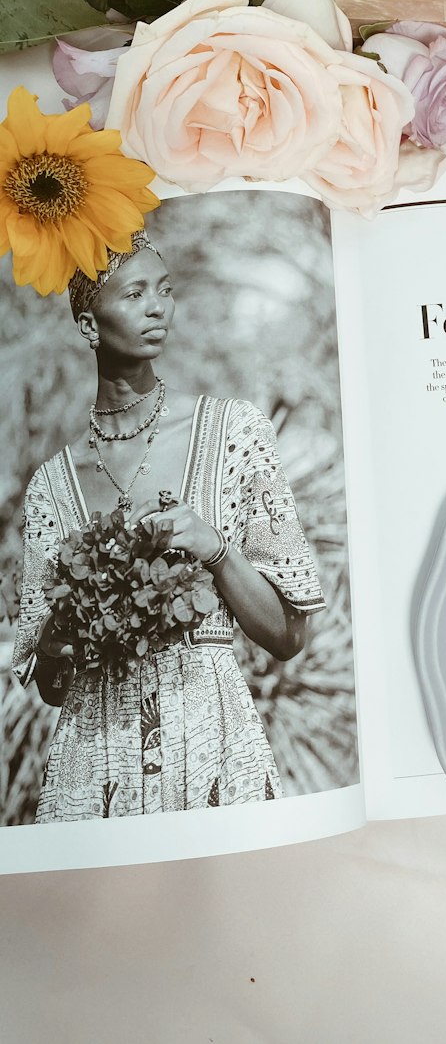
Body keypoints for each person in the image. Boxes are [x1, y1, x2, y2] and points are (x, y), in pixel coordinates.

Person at [12, 229, 326, 821]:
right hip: (94, 768)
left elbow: (288, 636)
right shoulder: (52, 487)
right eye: (133, 295)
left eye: (164, 290)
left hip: (213, 755)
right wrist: (59, 632)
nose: (158, 307)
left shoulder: (235, 432)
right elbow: (52, 685)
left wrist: (215, 549)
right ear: (88, 325)